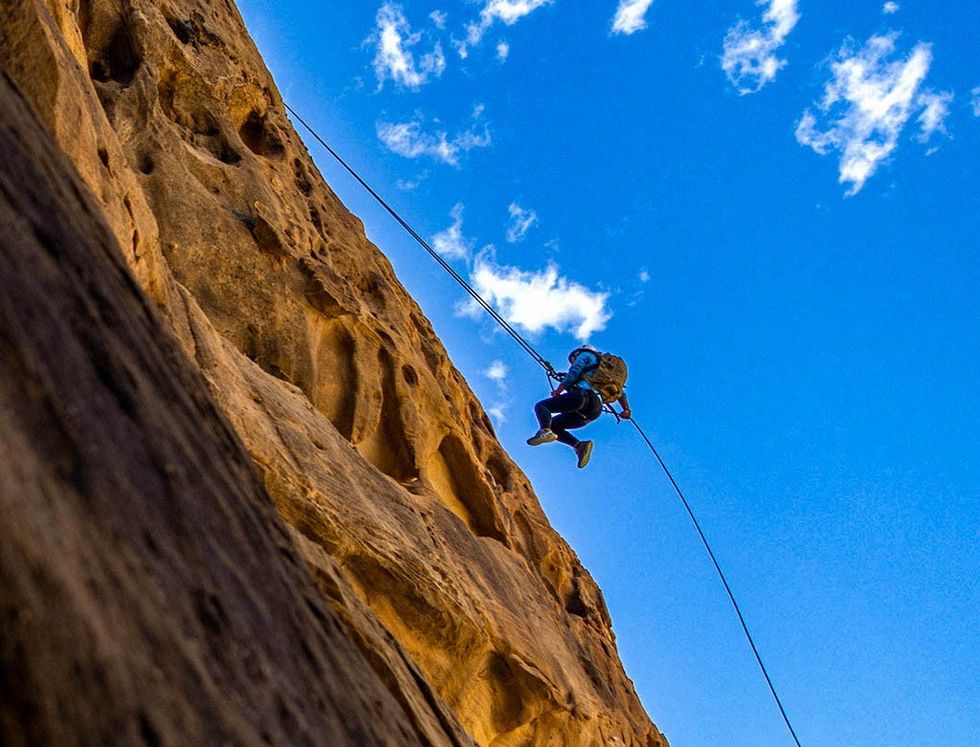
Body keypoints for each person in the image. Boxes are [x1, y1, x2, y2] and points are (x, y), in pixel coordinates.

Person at [526, 344, 631, 469]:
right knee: (554, 426)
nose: (572, 362)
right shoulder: (606, 376)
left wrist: (558, 391)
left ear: (578, 353)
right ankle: (579, 446)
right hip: (594, 410)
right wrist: (626, 409)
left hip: (583, 397)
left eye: (573, 359)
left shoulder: (586, 355)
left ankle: (544, 431)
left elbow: (574, 372)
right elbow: (621, 393)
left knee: (542, 406)